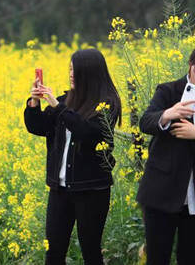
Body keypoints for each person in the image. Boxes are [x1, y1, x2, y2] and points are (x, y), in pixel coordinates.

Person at [136, 43, 195, 265]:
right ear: (190, 65)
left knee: (189, 259)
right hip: (161, 192)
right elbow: (145, 122)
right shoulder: (168, 91)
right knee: (157, 259)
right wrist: (168, 114)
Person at [24, 48, 123, 265]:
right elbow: (38, 126)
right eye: (69, 68)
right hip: (60, 189)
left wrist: (58, 107)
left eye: (74, 69)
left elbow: (90, 133)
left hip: (91, 190)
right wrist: (34, 102)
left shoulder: (107, 104)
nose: (70, 74)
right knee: (54, 251)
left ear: (89, 73)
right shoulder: (66, 99)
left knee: (90, 250)